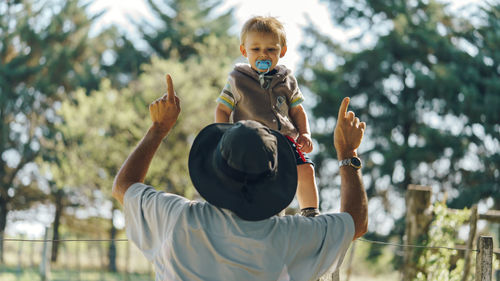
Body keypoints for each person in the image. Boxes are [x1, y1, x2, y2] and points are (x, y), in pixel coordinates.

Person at [112, 74, 368, 281]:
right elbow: (355, 223)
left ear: (213, 169)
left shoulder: (176, 217)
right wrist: (347, 153)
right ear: (275, 180)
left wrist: (158, 129)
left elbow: (124, 186)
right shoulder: (288, 236)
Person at [215, 16, 320, 217]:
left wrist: (305, 133)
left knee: (305, 169)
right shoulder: (237, 80)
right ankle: (245, 212)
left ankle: (310, 212)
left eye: (271, 49)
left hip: (284, 138)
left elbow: (297, 110)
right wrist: (222, 134)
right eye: (256, 49)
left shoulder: (287, 79)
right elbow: (222, 109)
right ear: (244, 51)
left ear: (282, 51)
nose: (263, 54)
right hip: (251, 140)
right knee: (258, 179)